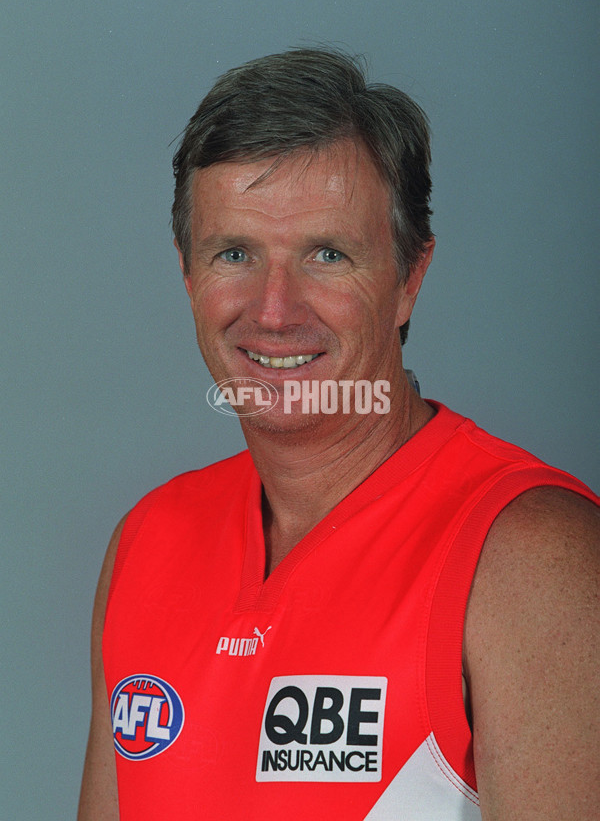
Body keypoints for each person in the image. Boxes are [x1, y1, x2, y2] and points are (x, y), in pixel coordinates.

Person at [78, 49, 599, 820]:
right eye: (235, 253)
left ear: (408, 278)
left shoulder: (531, 557)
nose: (275, 309)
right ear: (188, 278)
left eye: (328, 254)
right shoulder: (146, 543)